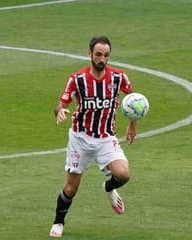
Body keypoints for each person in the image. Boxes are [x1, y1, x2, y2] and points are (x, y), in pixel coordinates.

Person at [49, 36, 137, 238]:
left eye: (106, 55)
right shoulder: (77, 79)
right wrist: (60, 111)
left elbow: (133, 100)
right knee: (71, 188)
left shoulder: (119, 78)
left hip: (106, 137)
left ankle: (108, 186)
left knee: (123, 174)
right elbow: (60, 104)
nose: (102, 59)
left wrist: (133, 124)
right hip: (80, 140)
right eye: (98, 54)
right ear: (89, 53)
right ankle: (58, 222)